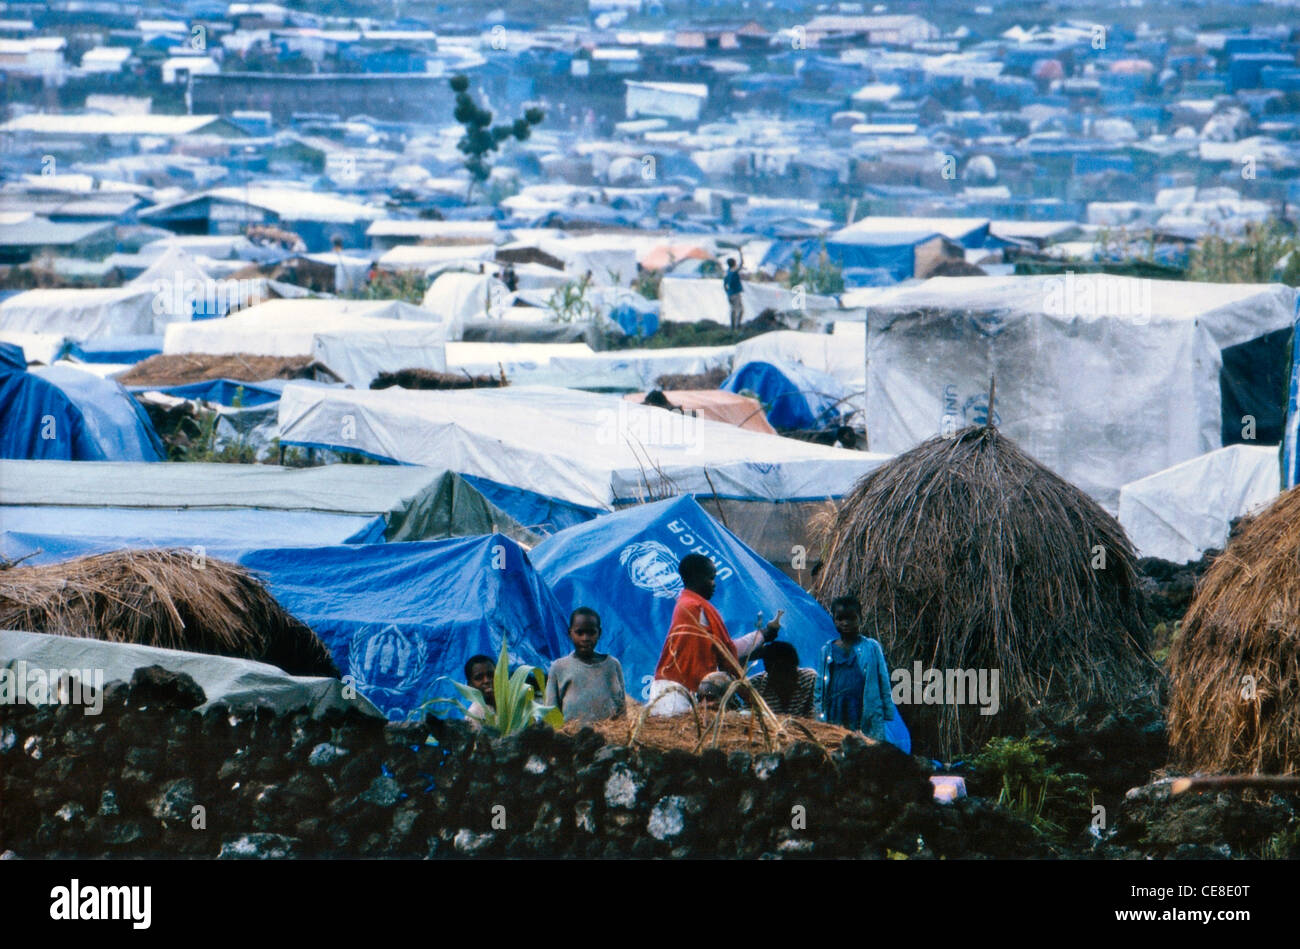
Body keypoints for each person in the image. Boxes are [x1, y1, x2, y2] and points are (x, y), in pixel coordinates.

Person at [649, 553, 780, 715]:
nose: (714, 584)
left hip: (667, 689)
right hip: (678, 694)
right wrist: (763, 635)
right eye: (711, 578)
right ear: (697, 577)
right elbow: (727, 654)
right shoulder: (699, 607)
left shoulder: (685, 604)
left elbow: (721, 649)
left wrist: (760, 637)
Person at [814, 596, 895, 740]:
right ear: (834, 620)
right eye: (840, 619)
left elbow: (883, 680)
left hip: (863, 708)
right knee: (837, 744)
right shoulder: (827, 650)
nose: (845, 623)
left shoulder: (871, 647)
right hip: (836, 708)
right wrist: (819, 714)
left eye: (851, 618)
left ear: (860, 618)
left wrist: (887, 710)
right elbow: (820, 686)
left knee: (866, 748)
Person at [544, 607, 626, 723]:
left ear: (599, 633)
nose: (585, 638)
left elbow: (622, 710)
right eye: (579, 632)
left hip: (608, 738)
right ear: (570, 633)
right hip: (571, 738)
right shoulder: (560, 667)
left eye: (591, 632)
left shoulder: (612, 665)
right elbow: (551, 713)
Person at [749, 641, 816, 717]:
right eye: (777, 672)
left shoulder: (809, 679)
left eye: (787, 672)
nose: (784, 681)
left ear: (795, 668)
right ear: (767, 669)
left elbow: (816, 712)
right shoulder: (756, 685)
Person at [464, 654, 496, 723]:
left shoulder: (512, 702)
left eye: (491, 675)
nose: (486, 680)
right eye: (479, 678)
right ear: (470, 686)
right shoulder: (474, 716)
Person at [723, 253, 744, 331]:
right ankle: (737, 326)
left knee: (732, 310)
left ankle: (732, 327)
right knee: (740, 310)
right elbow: (741, 264)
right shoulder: (734, 271)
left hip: (729, 294)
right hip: (735, 293)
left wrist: (727, 292)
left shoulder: (727, 272)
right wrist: (740, 253)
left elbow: (724, 284)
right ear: (734, 264)